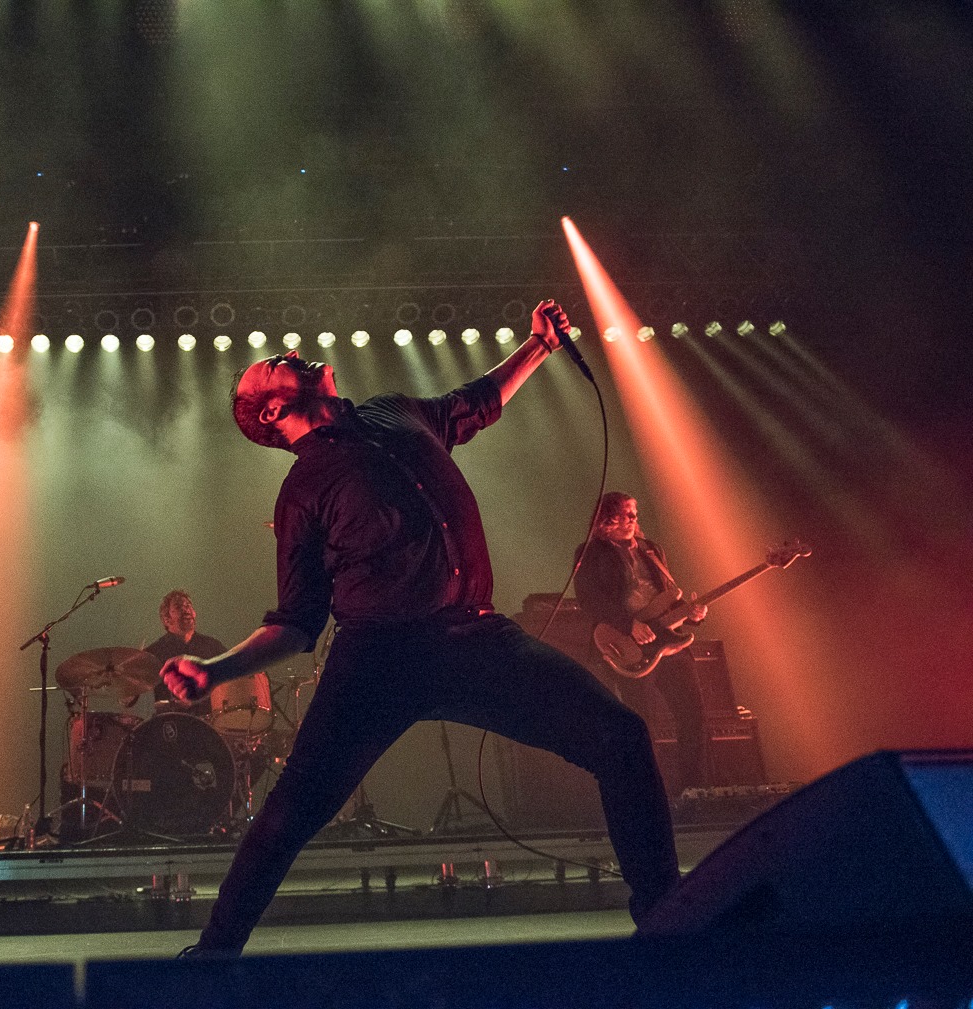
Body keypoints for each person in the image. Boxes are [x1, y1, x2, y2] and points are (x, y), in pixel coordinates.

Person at [162, 301, 680, 956]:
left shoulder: (392, 412)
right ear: (270, 412)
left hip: (476, 638)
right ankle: (212, 954)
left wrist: (538, 346)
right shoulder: (302, 491)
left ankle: (668, 921)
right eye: (276, 366)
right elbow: (296, 622)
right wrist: (215, 670)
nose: (292, 355)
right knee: (292, 810)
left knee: (621, 735)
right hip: (379, 658)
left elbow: (473, 405)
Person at [574, 492, 709, 799]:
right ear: (607, 520)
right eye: (626, 514)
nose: (634, 519)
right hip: (629, 645)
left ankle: (696, 791)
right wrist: (628, 624)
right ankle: (650, 794)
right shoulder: (591, 552)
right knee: (641, 721)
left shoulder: (652, 550)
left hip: (668, 644)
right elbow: (589, 598)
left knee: (693, 714)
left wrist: (693, 615)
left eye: (635, 513)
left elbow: (668, 601)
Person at [140, 590, 226, 717]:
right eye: (179, 607)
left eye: (188, 606)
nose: (186, 610)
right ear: (166, 619)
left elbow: (228, 682)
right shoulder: (155, 651)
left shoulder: (213, 646)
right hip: (170, 725)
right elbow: (131, 689)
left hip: (210, 723)